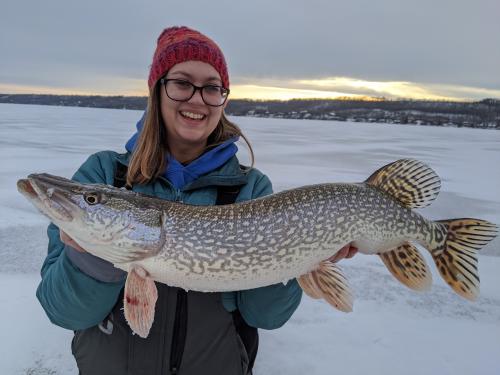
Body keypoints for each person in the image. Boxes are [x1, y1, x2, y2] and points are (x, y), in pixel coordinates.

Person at [36, 26, 358, 375]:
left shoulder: (250, 189)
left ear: (223, 98)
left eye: (212, 87)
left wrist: (304, 256)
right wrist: (94, 256)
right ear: (157, 90)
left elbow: (266, 316)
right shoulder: (105, 173)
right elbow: (64, 312)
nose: (197, 98)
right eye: (182, 83)